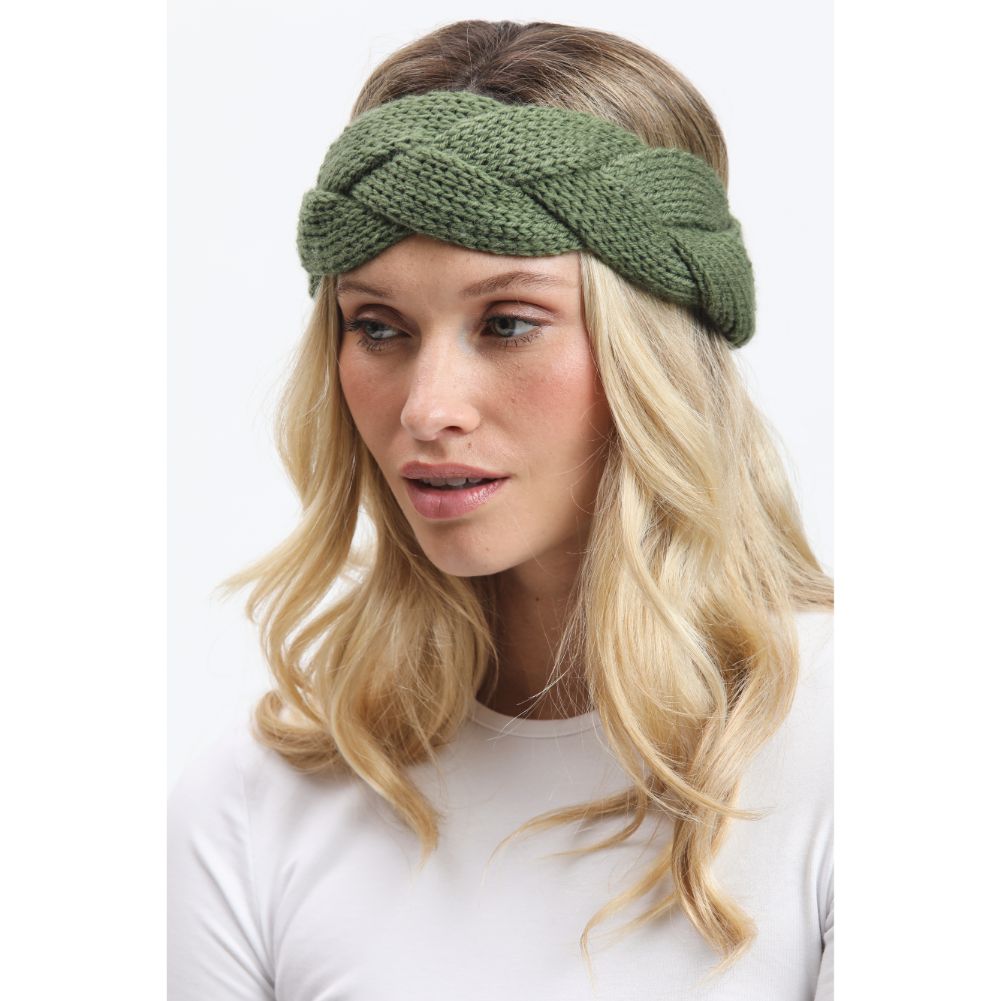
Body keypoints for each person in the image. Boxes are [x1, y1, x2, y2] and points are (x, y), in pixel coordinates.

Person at [168, 19, 834, 1001]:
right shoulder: (256, 806)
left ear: (653, 352)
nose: (427, 408)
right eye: (377, 326)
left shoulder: (858, 745)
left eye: (508, 322)